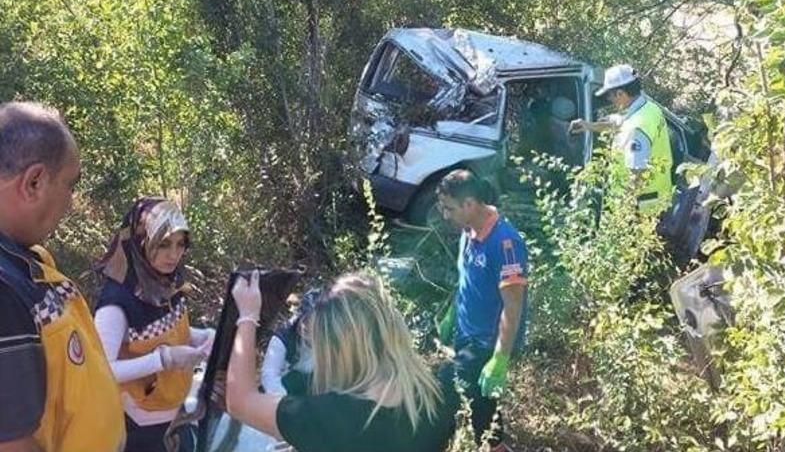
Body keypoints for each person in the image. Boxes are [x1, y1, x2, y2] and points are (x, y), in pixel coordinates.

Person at [0, 101, 126, 451]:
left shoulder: (25, 261)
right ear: (34, 182)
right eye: (70, 185)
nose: (71, 203)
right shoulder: (3, 289)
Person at [227, 272, 458, 452]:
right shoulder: (434, 394)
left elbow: (240, 401)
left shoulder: (333, 417)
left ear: (339, 351)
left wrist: (248, 315)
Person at [93, 197, 214, 452]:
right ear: (140, 242)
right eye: (164, 244)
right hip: (138, 428)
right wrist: (164, 359)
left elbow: (164, 333)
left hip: (175, 414)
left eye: (180, 244)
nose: (174, 255)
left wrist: (202, 336)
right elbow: (102, 371)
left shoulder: (166, 283)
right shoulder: (116, 302)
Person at [435, 169, 528, 452]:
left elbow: (513, 307)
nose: (444, 215)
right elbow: (466, 282)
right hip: (466, 334)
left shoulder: (505, 243)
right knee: (482, 405)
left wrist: (499, 359)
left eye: (449, 208)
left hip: (486, 342)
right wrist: (452, 315)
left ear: (470, 204)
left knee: (450, 398)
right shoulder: (468, 233)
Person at [569, 64, 674, 212]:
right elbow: (619, 123)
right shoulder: (650, 109)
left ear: (620, 93)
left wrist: (623, 213)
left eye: (609, 96)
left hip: (641, 208)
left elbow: (637, 174)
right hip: (658, 197)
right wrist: (588, 126)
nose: (609, 100)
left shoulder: (637, 128)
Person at [259, 288, 319, 395]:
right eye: (304, 318)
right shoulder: (284, 335)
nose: (306, 325)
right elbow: (269, 376)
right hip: (280, 394)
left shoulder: (332, 341)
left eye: (314, 321)